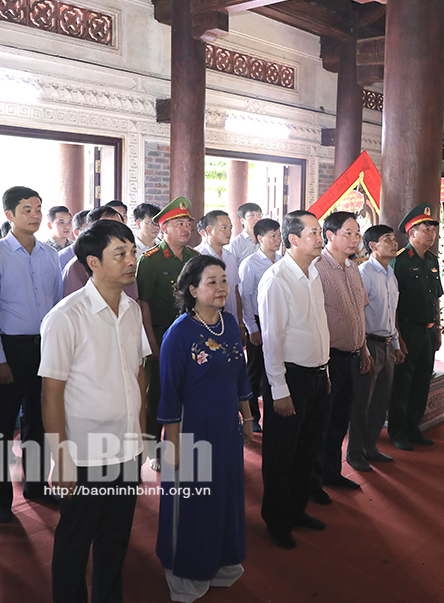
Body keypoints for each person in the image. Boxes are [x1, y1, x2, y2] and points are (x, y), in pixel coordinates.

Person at [40, 219, 149, 603]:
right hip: (86, 452)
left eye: (132, 252)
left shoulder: (133, 311)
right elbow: (51, 393)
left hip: (127, 449)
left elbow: (138, 375)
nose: (130, 260)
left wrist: (142, 435)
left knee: (116, 538)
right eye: (120, 254)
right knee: (75, 541)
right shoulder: (65, 317)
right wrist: (61, 458)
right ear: (94, 262)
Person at [156, 255, 253, 602]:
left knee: (224, 497)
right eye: (211, 282)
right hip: (192, 432)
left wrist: (248, 416)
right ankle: (186, 572)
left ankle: (221, 561)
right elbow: (169, 394)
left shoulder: (228, 323)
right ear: (193, 289)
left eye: (223, 280)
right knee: (193, 503)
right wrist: (174, 445)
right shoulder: (178, 334)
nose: (221, 287)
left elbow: (240, 374)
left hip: (226, 427)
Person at [0, 186, 62, 523]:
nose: (36, 215)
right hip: (9, 350)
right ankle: (0, 499)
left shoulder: (49, 255)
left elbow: (56, 308)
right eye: (27, 209)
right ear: (9, 215)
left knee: (39, 422)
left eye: (39, 208)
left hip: (44, 347)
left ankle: (37, 485)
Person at [257, 210, 330, 550]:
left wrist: (325, 371)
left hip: (316, 375)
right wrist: (279, 390)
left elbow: (318, 328)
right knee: (281, 454)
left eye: (319, 232)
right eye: (313, 232)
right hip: (290, 379)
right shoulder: (276, 280)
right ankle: (277, 520)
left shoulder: (313, 273)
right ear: (293, 240)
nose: (320, 238)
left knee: (307, 449)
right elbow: (272, 340)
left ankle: (297, 510)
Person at [311, 212, 371, 504]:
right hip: (329, 358)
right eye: (348, 233)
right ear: (329, 236)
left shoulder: (353, 268)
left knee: (339, 419)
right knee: (321, 421)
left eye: (357, 234)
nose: (354, 239)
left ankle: (333, 471)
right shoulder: (317, 268)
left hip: (352, 356)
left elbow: (359, 312)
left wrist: (364, 349)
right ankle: (314, 480)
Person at [137, 197, 199, 471]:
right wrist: (151, 343)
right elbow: (143, 303)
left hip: (190, 334)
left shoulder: (195, 258)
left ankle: (184, 443)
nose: (185, 229)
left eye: (188, 223)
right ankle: (154, 449)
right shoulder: (149, 261)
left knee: (189, 391)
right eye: (178, 224)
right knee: (157, 394)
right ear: (164, 228)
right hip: (160, 335)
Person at [350, 225, 406, 472]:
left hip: (386, 344)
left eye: (394, 239)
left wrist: (396, 344)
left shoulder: (389, 274)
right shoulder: (363, 274)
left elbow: (392, 312)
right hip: (369, 344)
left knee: (381, 400)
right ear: (372, 246)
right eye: (387, 239)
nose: (394, 243)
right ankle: (355, 452)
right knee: (363, 402)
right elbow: (357, 315)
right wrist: (363, 350)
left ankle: (371, 446)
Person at [389, 204, 442, 451]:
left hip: (429, 330)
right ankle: (398, 431)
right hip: (408, 330)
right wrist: (398, 337)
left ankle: (413, 427)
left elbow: (436, 298)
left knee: (422, 380)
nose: (431, 234)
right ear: (411, 233)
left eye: (432, 229)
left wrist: (438, 328)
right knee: (403, 382)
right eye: (425, 229)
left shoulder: (432, 260)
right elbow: (394, 304)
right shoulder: (399, 262)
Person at [237, 218, 281, 433]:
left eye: (279, 235)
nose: (278, 239)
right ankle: (252, 415)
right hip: (259, 323)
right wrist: (252, 328)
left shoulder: (283, 261)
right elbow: (245, 298)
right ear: (260, 238)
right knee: (255, 372)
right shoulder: (250, 263)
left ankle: (274, 413)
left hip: (280, 323)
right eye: (273, 236)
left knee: (276, 369)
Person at [196, 210, 244, 339]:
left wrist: (240, 323)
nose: (229, 232)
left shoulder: (231, 257)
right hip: (207, 325)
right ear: (209, 230)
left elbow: (235, 291)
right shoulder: (198, 256)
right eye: (224, 228)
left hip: (230, 322)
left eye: (230, 228)